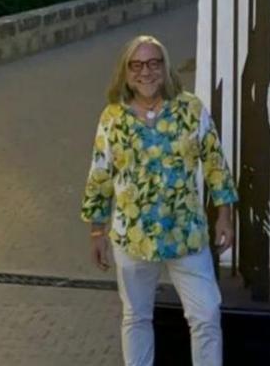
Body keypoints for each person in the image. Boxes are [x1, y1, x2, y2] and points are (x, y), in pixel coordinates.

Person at [81, 35, 237, 366]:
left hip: (186, 234)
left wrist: (225, 214)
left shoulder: (190, 109)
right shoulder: (112, 118)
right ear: (125, 72)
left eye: (154, 63)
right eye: (136, 65)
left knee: (206, 313)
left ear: (165, 68)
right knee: (136, 317)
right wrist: (97, 231)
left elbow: (214, 163)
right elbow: (100, 176)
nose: (146, 72)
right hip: (132, 238)